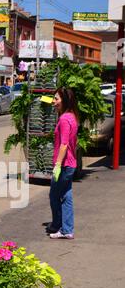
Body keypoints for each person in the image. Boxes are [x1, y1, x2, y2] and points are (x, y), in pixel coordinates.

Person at [48, 87, 79, 239]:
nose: (54, 102)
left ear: (64, 101)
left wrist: (58, 165)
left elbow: (64, 144)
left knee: (54, 195)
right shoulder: (72, 117)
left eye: (56, 99)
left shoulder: (65, 119)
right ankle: (67, 229)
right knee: (66, 195)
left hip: (65, 165)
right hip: (70, 164)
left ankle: (59, 225)